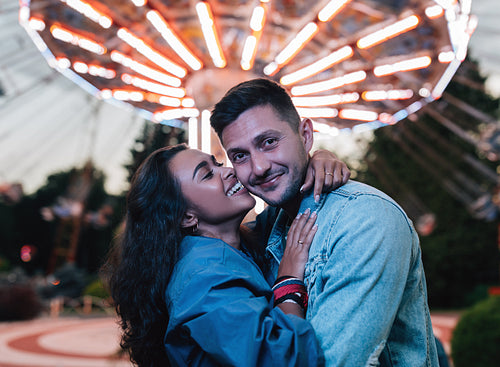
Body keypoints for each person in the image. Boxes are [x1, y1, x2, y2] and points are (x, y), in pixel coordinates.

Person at [210, 78, 440, 366]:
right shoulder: (272, 224)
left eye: (269, 142)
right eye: (240, 156)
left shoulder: (364, 220)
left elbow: (337, 360)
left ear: (306, 135)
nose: (259, 167)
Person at [103, 143, 349, 366]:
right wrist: (287, 282)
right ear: (187, 216)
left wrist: (319, 159)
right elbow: (287, 361)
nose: (228, 171)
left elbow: (292, 194)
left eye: (218, 164)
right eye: (207, 174)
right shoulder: (204, 280)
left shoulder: (243, 242)